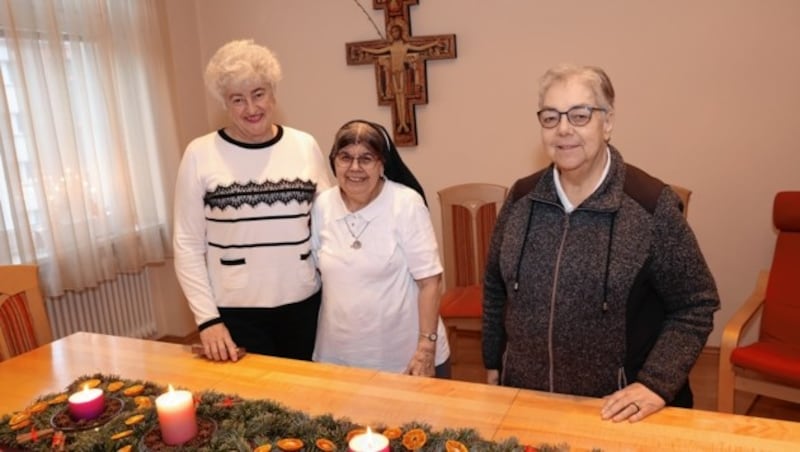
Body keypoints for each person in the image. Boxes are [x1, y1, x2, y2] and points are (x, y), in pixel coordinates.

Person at [482, 64, 720, 422]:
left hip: (614, 413)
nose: (563, 129)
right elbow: (495, 287)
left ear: (607, 123)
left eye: (580, 115)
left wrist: (657, 383)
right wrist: (493, 362)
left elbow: (696, 304)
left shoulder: (650, 206)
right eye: (550, 117)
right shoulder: (521, 199)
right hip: (528, 404)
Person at [173, 39, 331, 362]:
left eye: (258, 94)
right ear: (225, 104)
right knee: (251, 405)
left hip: (305, 305)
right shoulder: (199, 154)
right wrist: (208, 320)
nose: (251, 108)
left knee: (309, 400)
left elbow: (328, 227)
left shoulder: (304, 145)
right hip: (235, 313)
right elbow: (187, 245)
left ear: (273, 93)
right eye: (237, 99)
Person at [311, 119, 450, 377]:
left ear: (382, 164)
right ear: (334, 161)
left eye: (366, 158)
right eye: (345, 157)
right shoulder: (323, 205)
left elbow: (430, 282)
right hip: (337, 358)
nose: (355, 168)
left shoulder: (406, 203)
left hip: (405, 359)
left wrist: (425, 348)